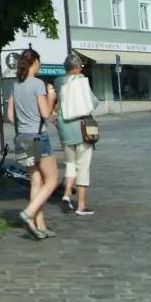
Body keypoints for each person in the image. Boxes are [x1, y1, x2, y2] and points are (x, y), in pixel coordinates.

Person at [11, 49, 61, 239]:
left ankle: (40, 227)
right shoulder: (38, 84)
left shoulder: (16, 85)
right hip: (38, 136)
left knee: (36, 181)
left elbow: (10, 115)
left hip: (22, 137)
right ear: (36, 62)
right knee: (52, 180)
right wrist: (52, 98)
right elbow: (46, 113)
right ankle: (29, 213)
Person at [55, 53, 97, 216]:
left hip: (65, 128)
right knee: (83, 166)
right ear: (76, 67)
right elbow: (93, 102)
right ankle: (81, 205)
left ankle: (67, 194)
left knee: (70, 163)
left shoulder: (58, 82)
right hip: (80, 127)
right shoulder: (81, 81)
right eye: (80, 67)